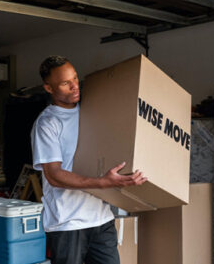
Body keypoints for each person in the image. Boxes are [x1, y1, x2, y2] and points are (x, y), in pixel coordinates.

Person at [31, 55, 147, 264]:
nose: (75, 86)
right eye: (66, 83)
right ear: (49, 88)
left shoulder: (93, 109)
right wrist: (103, 182)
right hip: (68, 223)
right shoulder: (48, 123)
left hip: (101, 217)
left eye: (75, 78)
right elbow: (54, 176)